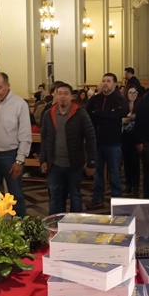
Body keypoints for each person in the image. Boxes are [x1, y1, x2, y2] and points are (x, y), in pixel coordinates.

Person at [40, 83, 96, 214]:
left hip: (74, 164)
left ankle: (75, 224)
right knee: (55, 196)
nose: (62, 96)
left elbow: (91, 137)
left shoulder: (80, 113)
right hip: (54, 164)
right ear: (55, 95)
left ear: (71, 96)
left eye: (66, 94)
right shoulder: (49, 114)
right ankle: (56, 223)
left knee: (75, 195)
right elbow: (45, 138)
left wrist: (91, 162)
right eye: (59, 93)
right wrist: (43, 159)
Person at [0, 72, 33, 217]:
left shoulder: (19, 104)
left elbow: (25, 134)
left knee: (15, 195)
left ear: (8, 86)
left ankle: (21, 226)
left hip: (10, 156)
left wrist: (20, 160)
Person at [86, 72, 125, 210]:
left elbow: (117, 115)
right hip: (97, 141)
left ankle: (117, 202)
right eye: (103, 81)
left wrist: (100, 114)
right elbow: (88, 116)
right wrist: (105, 115)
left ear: (114, 84)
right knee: (98, 173)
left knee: (114, 173)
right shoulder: (95, 99)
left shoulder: (119, 99)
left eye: (108, 81)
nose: (105, 83)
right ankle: (97, 200)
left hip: (113, 142)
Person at [121, 86, 141, 195]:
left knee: (135, 162)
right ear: (127, 94)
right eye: (130, 92)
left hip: (136, 136)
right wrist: (127, 119)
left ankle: (136, 185)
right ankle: (128, 184)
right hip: (125, 137)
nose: (133, 94)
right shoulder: (123, 106)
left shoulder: (139, 106)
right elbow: (119, 119)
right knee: (127, 161)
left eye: (135, 92)